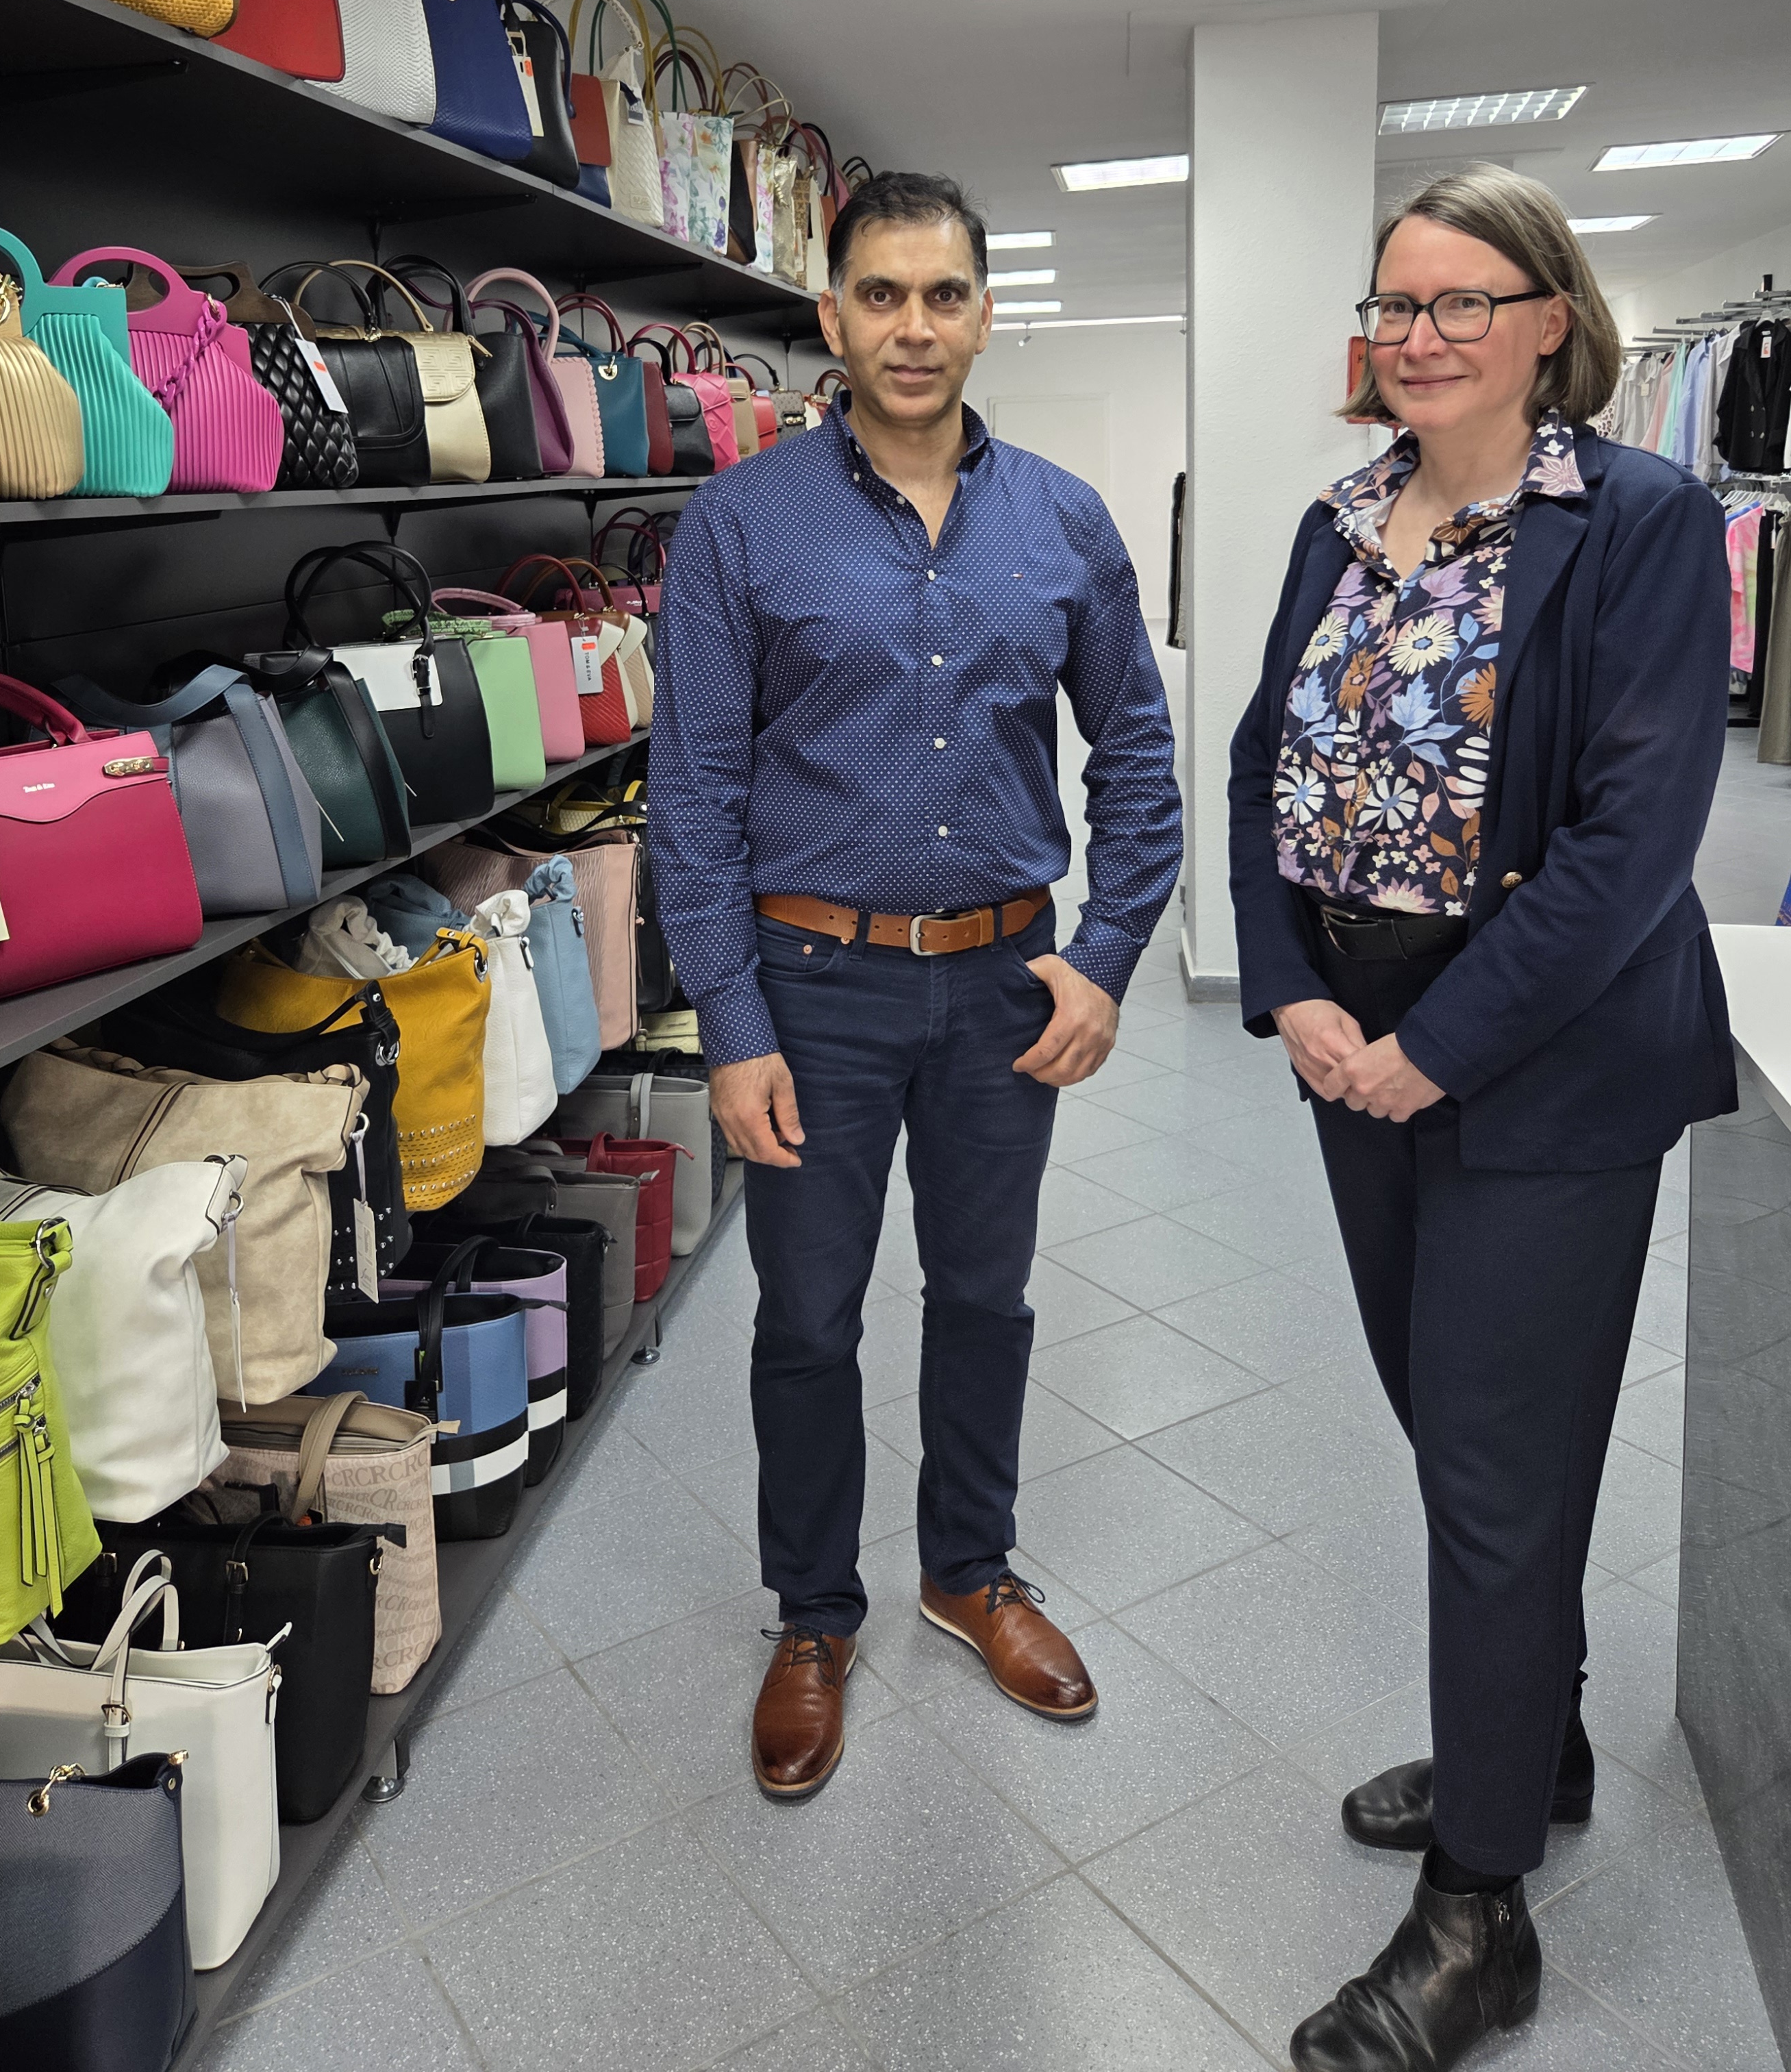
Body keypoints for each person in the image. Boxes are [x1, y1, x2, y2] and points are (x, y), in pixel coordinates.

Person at [1229, 165, 1735, 2071]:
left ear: (1549, 322)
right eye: (1394, 303)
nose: (1418, 335)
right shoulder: (1337, 520)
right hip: (1349, 1050)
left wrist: (1429, 1045)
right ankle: (1540, 1742)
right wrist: (1288, 986)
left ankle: (1476, 1913)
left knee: (1499, 1481)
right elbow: (1261, 768)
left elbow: (1627, 845)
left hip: (1539, 1063)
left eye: (1462, 300)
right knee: (1460, 1445)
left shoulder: (1639, 521)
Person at [648, 168, 1181, 1798]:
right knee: (807, 1315)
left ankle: (969, 1568)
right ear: (831, 315)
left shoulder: (1064, 522)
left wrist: (1103, 957)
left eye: (943, 293)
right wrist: (731, 1022)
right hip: (812, 986)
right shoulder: (740, 524)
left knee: (986, 1294)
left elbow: (1137, 756)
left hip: (1006, 985)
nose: (912, 326)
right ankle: (814, 1612)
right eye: (880, 294)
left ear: (984, 313)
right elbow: (695, 796)